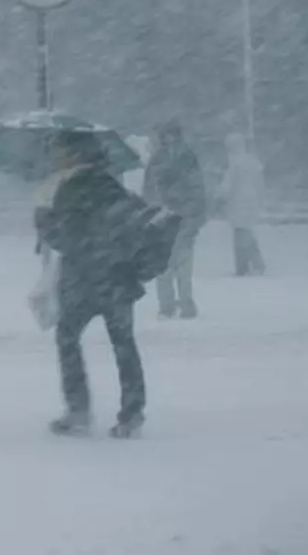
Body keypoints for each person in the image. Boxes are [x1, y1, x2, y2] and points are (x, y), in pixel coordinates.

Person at [35, 130, 147, 439]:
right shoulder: (111, 184)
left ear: (74, 153)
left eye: (58, 149)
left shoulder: (70, 187)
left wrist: (42, 218)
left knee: (68, 337)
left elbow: (65, 238)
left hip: (85, 279)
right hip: (118, 277)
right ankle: (132, 412)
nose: (55, 155)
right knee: (123, 343)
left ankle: (78, 409)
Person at [144, 121, 207, 319]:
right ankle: (180, 304)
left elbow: (150, 189)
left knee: (170, 264)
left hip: (172, 216)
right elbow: (197, 188)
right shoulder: (182, 156)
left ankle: (171, 305)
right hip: (176, 215)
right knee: (178, 263)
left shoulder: (167, 158)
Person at [217, 132, 266, 276]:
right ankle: (257, 263)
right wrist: (259, 198)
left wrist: (220, 196)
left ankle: (243, 267)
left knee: (240, 236)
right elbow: (260, 183)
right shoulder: (253, 161)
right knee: (247, 233)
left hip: (238, 203)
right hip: (252, 202)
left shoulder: (234, 163)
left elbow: (227, 186)